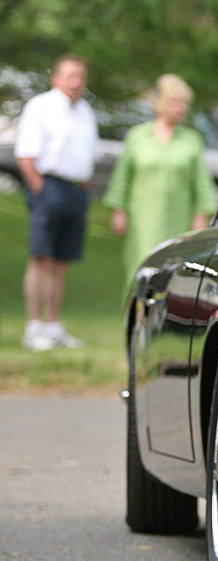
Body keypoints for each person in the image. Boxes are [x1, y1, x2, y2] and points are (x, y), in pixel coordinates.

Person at [14, 54, 98, 351]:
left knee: (62, 261)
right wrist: (39, 189)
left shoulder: (85, 111)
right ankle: (33, 326)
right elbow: (25, 155)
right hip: (49, 185)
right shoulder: (41, 107)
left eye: (80, 76)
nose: (76, 82)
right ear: (57, 78)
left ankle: (53, 325)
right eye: (71, 76)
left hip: (76, 190)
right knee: (42, 257)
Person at [103, 74, 217, 278]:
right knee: (140, 272)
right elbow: (122, 178)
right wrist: (118, 210)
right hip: (142, 221)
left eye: (183, 103)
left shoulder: (191, 140)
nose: (180, 108)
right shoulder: (137, 137)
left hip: (179, 221)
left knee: (171, 274)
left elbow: (202, 184)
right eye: (175, 102)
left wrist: (201, 215)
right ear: (160, 103)